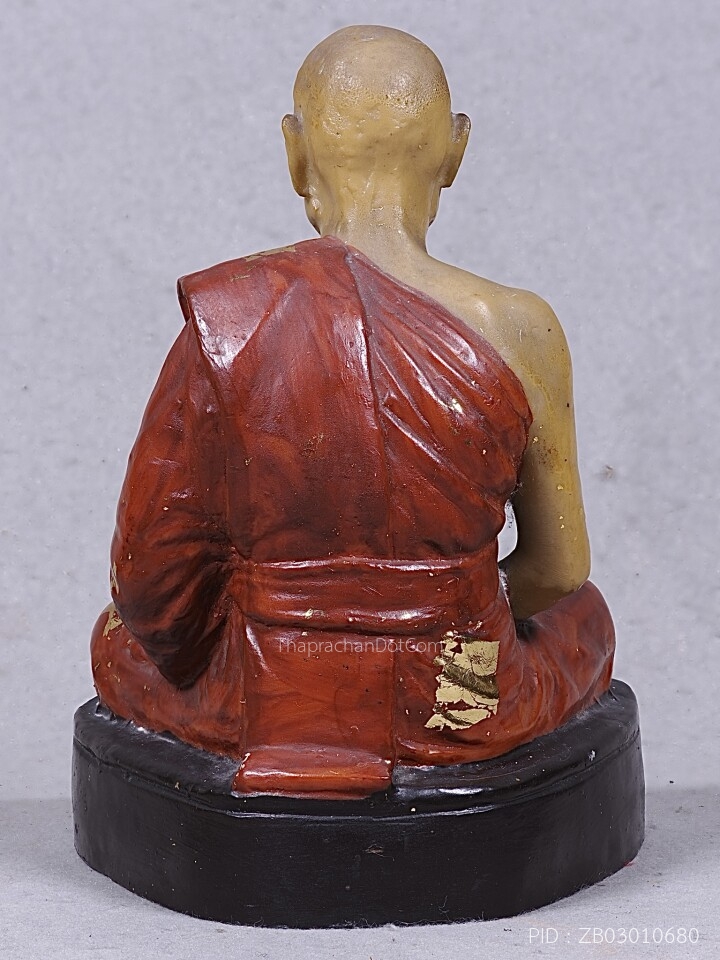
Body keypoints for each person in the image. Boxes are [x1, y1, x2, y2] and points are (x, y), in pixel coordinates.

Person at [91, 25, 614, 798]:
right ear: (456, 150)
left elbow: (148, 585)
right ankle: (450, 716)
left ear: (294, 152)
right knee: (585, 619)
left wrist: (220, 648)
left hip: (272, 695)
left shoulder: (232, 321)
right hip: (456, 696)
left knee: (117, 642)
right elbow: (558, 570)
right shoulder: (519, 327)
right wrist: (442, 621)